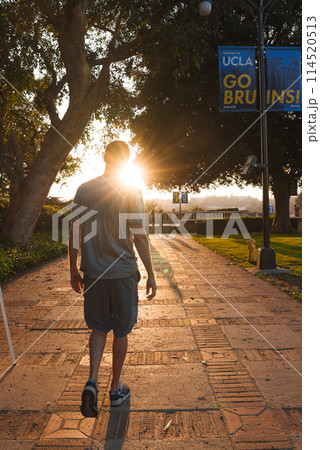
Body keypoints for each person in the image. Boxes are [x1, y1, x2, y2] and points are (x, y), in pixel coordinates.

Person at [68, 140, 157, 417]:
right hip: (122, 273)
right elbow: (140, 236)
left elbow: (74, 231)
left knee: (97, 327)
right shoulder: (131, 190)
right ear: (127, 162)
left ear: (104, 156)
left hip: (93, 272)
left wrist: (73, 267)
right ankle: (115, 388)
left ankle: (92, 381)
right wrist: (152, 274)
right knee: (121, 330)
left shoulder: (84, 190)